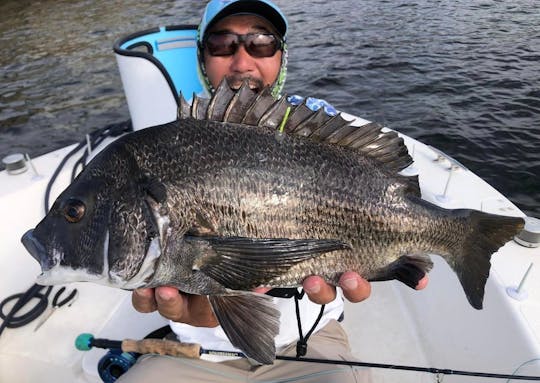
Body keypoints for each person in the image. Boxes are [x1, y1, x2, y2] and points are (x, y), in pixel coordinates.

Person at [121, 1, 428, 381]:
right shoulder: (166, 145)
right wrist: (199, 309)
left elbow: (388, 188)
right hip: (192, 351)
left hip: (309, 344)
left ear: (282, 55)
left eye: (262, 43)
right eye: (222, 44)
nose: (242, 61)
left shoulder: (321, 127)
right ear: (202, 57)